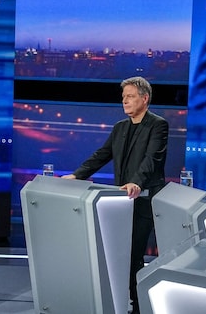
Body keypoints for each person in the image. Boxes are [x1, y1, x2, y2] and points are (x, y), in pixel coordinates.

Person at [62, 76, 168, 314]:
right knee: (117, 257)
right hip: (120, 203)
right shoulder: (120, 127)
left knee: (133, 257)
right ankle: (120, 304)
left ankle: (138, 306)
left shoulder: (158, 125)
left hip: (143, 200)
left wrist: (136, 182)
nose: (125, 101)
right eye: (123, 97)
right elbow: (102, 154)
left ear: (145, 98)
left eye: (130, 96)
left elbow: (152, 160)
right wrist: (77, 175)